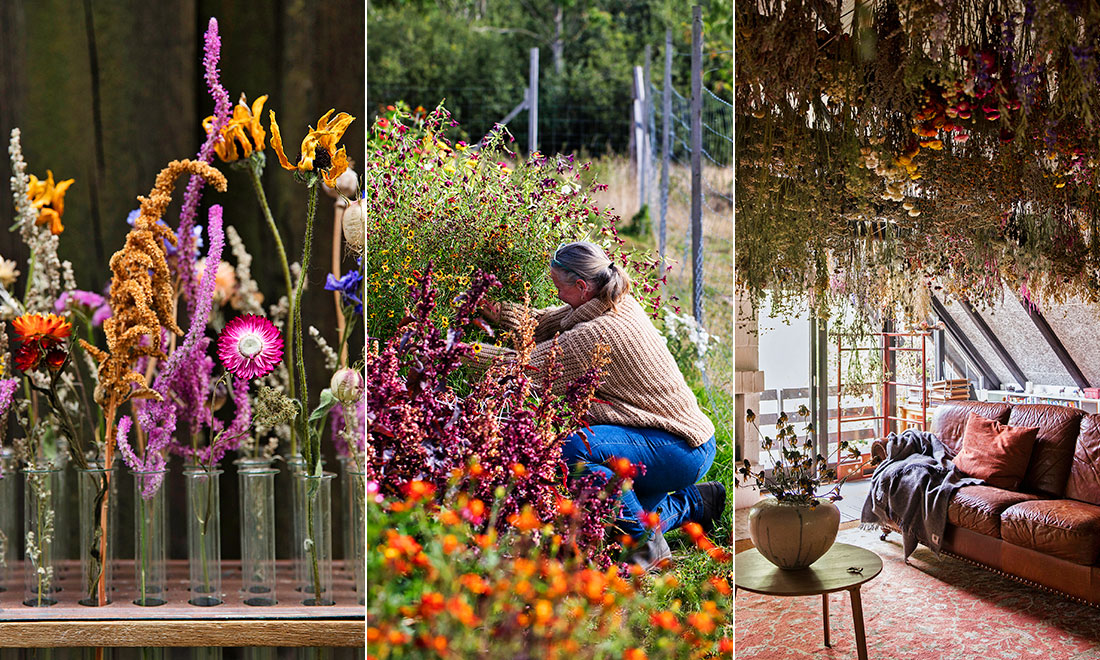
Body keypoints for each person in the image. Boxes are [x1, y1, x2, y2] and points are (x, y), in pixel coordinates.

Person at [475, 241, 724, 570]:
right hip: (680, 443)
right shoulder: (612, 301)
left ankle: (649, 547)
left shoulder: (602, 332)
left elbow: (523, 367)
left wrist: (447, 350)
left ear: (580, 286)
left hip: (677, 447)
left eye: (558, 287)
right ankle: (696, 502)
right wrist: (487, 307)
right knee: (616, 525)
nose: (557, 295)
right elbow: (541, 323)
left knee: (570, 449)